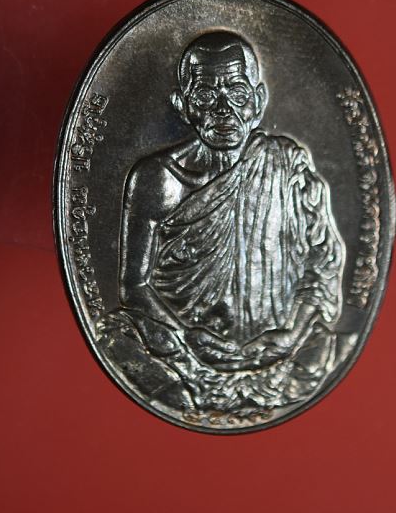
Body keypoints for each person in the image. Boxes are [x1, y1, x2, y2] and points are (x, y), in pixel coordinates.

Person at [98, 31, 344, 412]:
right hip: (185, 353)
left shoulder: (287, 165)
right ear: (183, 106)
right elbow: (134, 285)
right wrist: (186, 335)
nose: (224, 108)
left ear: (258, 102)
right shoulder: (157, 180)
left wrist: (292, 333)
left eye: (237, 92)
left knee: (327, 344)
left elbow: (322, 264)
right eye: (205, 95)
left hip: (276, 353)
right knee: (117, 337)